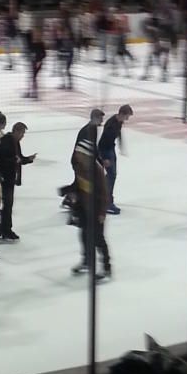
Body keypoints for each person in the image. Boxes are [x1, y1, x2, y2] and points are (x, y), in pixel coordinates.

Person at [72, 136, 112, 280]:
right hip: (84, 209)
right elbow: (78, 185)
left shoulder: (97, 170)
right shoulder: (79, 166)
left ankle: (107, 268)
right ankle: (87, 262)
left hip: (95, 210)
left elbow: (104, 194)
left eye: (79, 153)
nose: (76, 155)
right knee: (83, 236)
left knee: (98, 240)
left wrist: (102, 212)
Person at [0, 122, 33, 242]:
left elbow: (19, 158)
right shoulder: (6, 141)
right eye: (22, 133)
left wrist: (28, 159)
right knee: (8, 204)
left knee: (8, 204)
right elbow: (0, 159)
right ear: (16, 131)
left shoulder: (15, 142)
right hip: (5, 177)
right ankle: (6, 229)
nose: (23, 136)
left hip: (10, 177)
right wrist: (14, 160)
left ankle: (4, 227)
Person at [97, 105, 132, 216]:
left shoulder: (119, 122)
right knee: (111, 175)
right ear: (122, 114)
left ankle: (106, 199)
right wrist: (104, 158)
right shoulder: (110, 125)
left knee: (112, 175)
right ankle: (106, 201)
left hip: (110, 149)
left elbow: (119, 133)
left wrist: (121, 146)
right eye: (127, 116)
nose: (127, 119)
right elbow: (104, 142)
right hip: (105, 150)